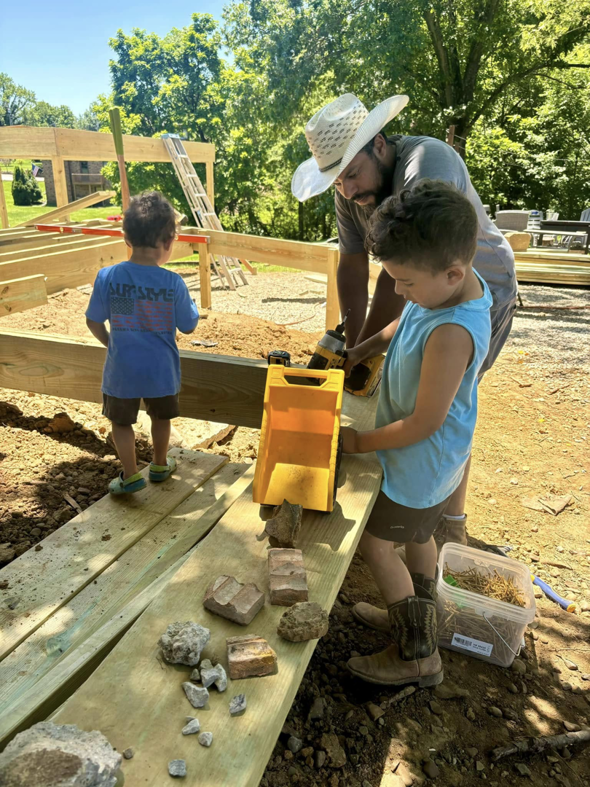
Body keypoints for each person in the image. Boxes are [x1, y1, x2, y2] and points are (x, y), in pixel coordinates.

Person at [292, 93, 516, 545]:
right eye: (337, 182)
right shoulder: (351, 190)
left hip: (472, 291)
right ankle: (414, 511)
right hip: (422, 289)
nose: (348, 190)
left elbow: (405, 275)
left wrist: (355, 431)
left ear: (378, 144)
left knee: (445, 406)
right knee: (407, 390)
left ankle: (446, 520)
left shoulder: (427, 164)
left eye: (351, 175)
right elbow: (355, 267)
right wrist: (354, 350)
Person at [340, 180, 492, 686]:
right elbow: (403, 321)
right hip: (436, 467)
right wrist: (363, 349)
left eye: (404, 282)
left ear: (453, 272)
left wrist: (360, 443)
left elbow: (425, 422)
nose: (399, 293)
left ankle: (417, 653)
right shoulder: (440, 293)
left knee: (378, 547)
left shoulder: (451, 331)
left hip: (419, 462)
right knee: (421, 536)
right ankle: (418, 613)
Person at [86, 191, 199, 495]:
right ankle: (160, 465)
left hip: (121, 368)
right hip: (161, 370)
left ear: (127, 238)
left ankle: (131, 474)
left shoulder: (108, 277)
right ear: (168, 241)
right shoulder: (173, 283)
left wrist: (112, 343)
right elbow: (188, 326)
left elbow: (95, 320)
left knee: (120, 422)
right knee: (161, 417)